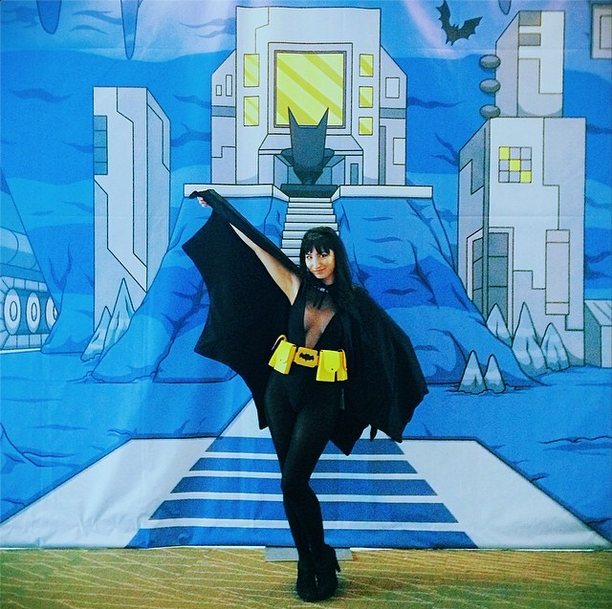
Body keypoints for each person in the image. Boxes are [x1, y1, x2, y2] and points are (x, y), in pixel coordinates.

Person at [182, 189, 428, 603]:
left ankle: (322, 556)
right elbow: (257, 247)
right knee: (289, 484)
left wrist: (400, 381)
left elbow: (391, 342)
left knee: (294, 480)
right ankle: (307, 560)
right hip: (281, 392)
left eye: (322, 254)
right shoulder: (296, 285)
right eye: (309, 255)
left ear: (336, 255)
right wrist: (221, 210)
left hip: (321, 398)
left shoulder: (355, 302)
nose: (315, 262)